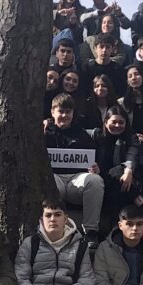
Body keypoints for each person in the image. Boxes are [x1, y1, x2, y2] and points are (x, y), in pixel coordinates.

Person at [44, 94, 104, 244]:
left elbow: (93, 161)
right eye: (61, 111)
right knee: (49, 181)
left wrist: (95, 168)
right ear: (53, 112)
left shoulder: (82, 135)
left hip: (76, 180)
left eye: (68, 112)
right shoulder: (43, 133)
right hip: (55, 178)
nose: (64, 115)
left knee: (95, 180)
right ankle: (53, 231)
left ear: (73, 113)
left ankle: (91, 231)